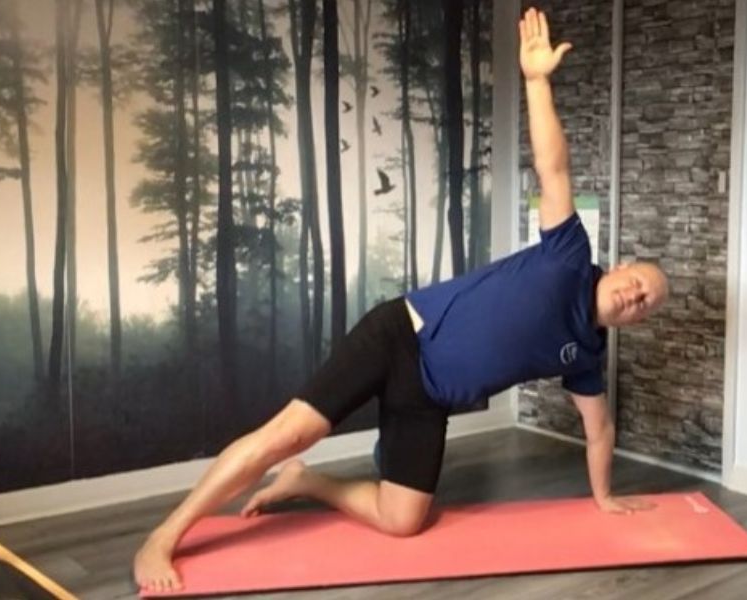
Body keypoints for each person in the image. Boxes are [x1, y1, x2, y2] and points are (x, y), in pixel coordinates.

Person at [134, 8, 669, 593]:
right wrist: (537, 82)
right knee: (290, 432)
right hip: (399, 337)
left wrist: (605, 497)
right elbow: (554, 167)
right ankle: (165, 534)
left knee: (403, 520)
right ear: (620, 267)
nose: (637, 296)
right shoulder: (569, 253)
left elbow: (599, 429)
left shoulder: (586, 354)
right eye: (639, 281)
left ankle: (308, 483)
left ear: (636, 321)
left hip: (427, 399)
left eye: (646, 303)